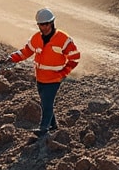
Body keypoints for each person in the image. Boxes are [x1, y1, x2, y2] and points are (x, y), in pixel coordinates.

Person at [8, 8, 80, 137]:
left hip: (54, 79)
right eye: (42, 24)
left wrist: (63, 73)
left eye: (47, 24)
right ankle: (53, 125)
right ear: (38, 25)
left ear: (52, 22)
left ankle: (43, 128)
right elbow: (26, 51)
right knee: (45, 102)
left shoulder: (63, 39)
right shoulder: (36, 38)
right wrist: (13, 57)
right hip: (40, 78)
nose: (45, 27)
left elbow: (75, 58)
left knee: (47, 103)